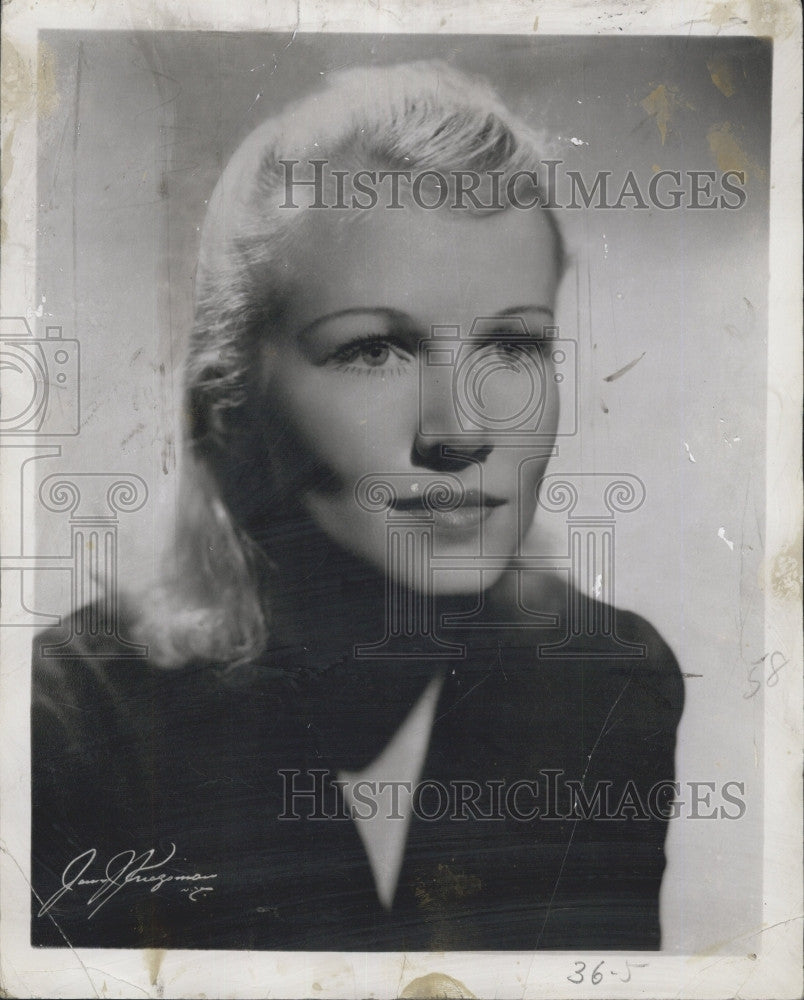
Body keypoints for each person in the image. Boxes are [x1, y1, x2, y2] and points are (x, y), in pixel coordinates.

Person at [31, 61, 684, 952]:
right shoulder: (64, 725)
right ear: (225, 396)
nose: (464, 431)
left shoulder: (608, 687)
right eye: (375, 350)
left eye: (513, 345)